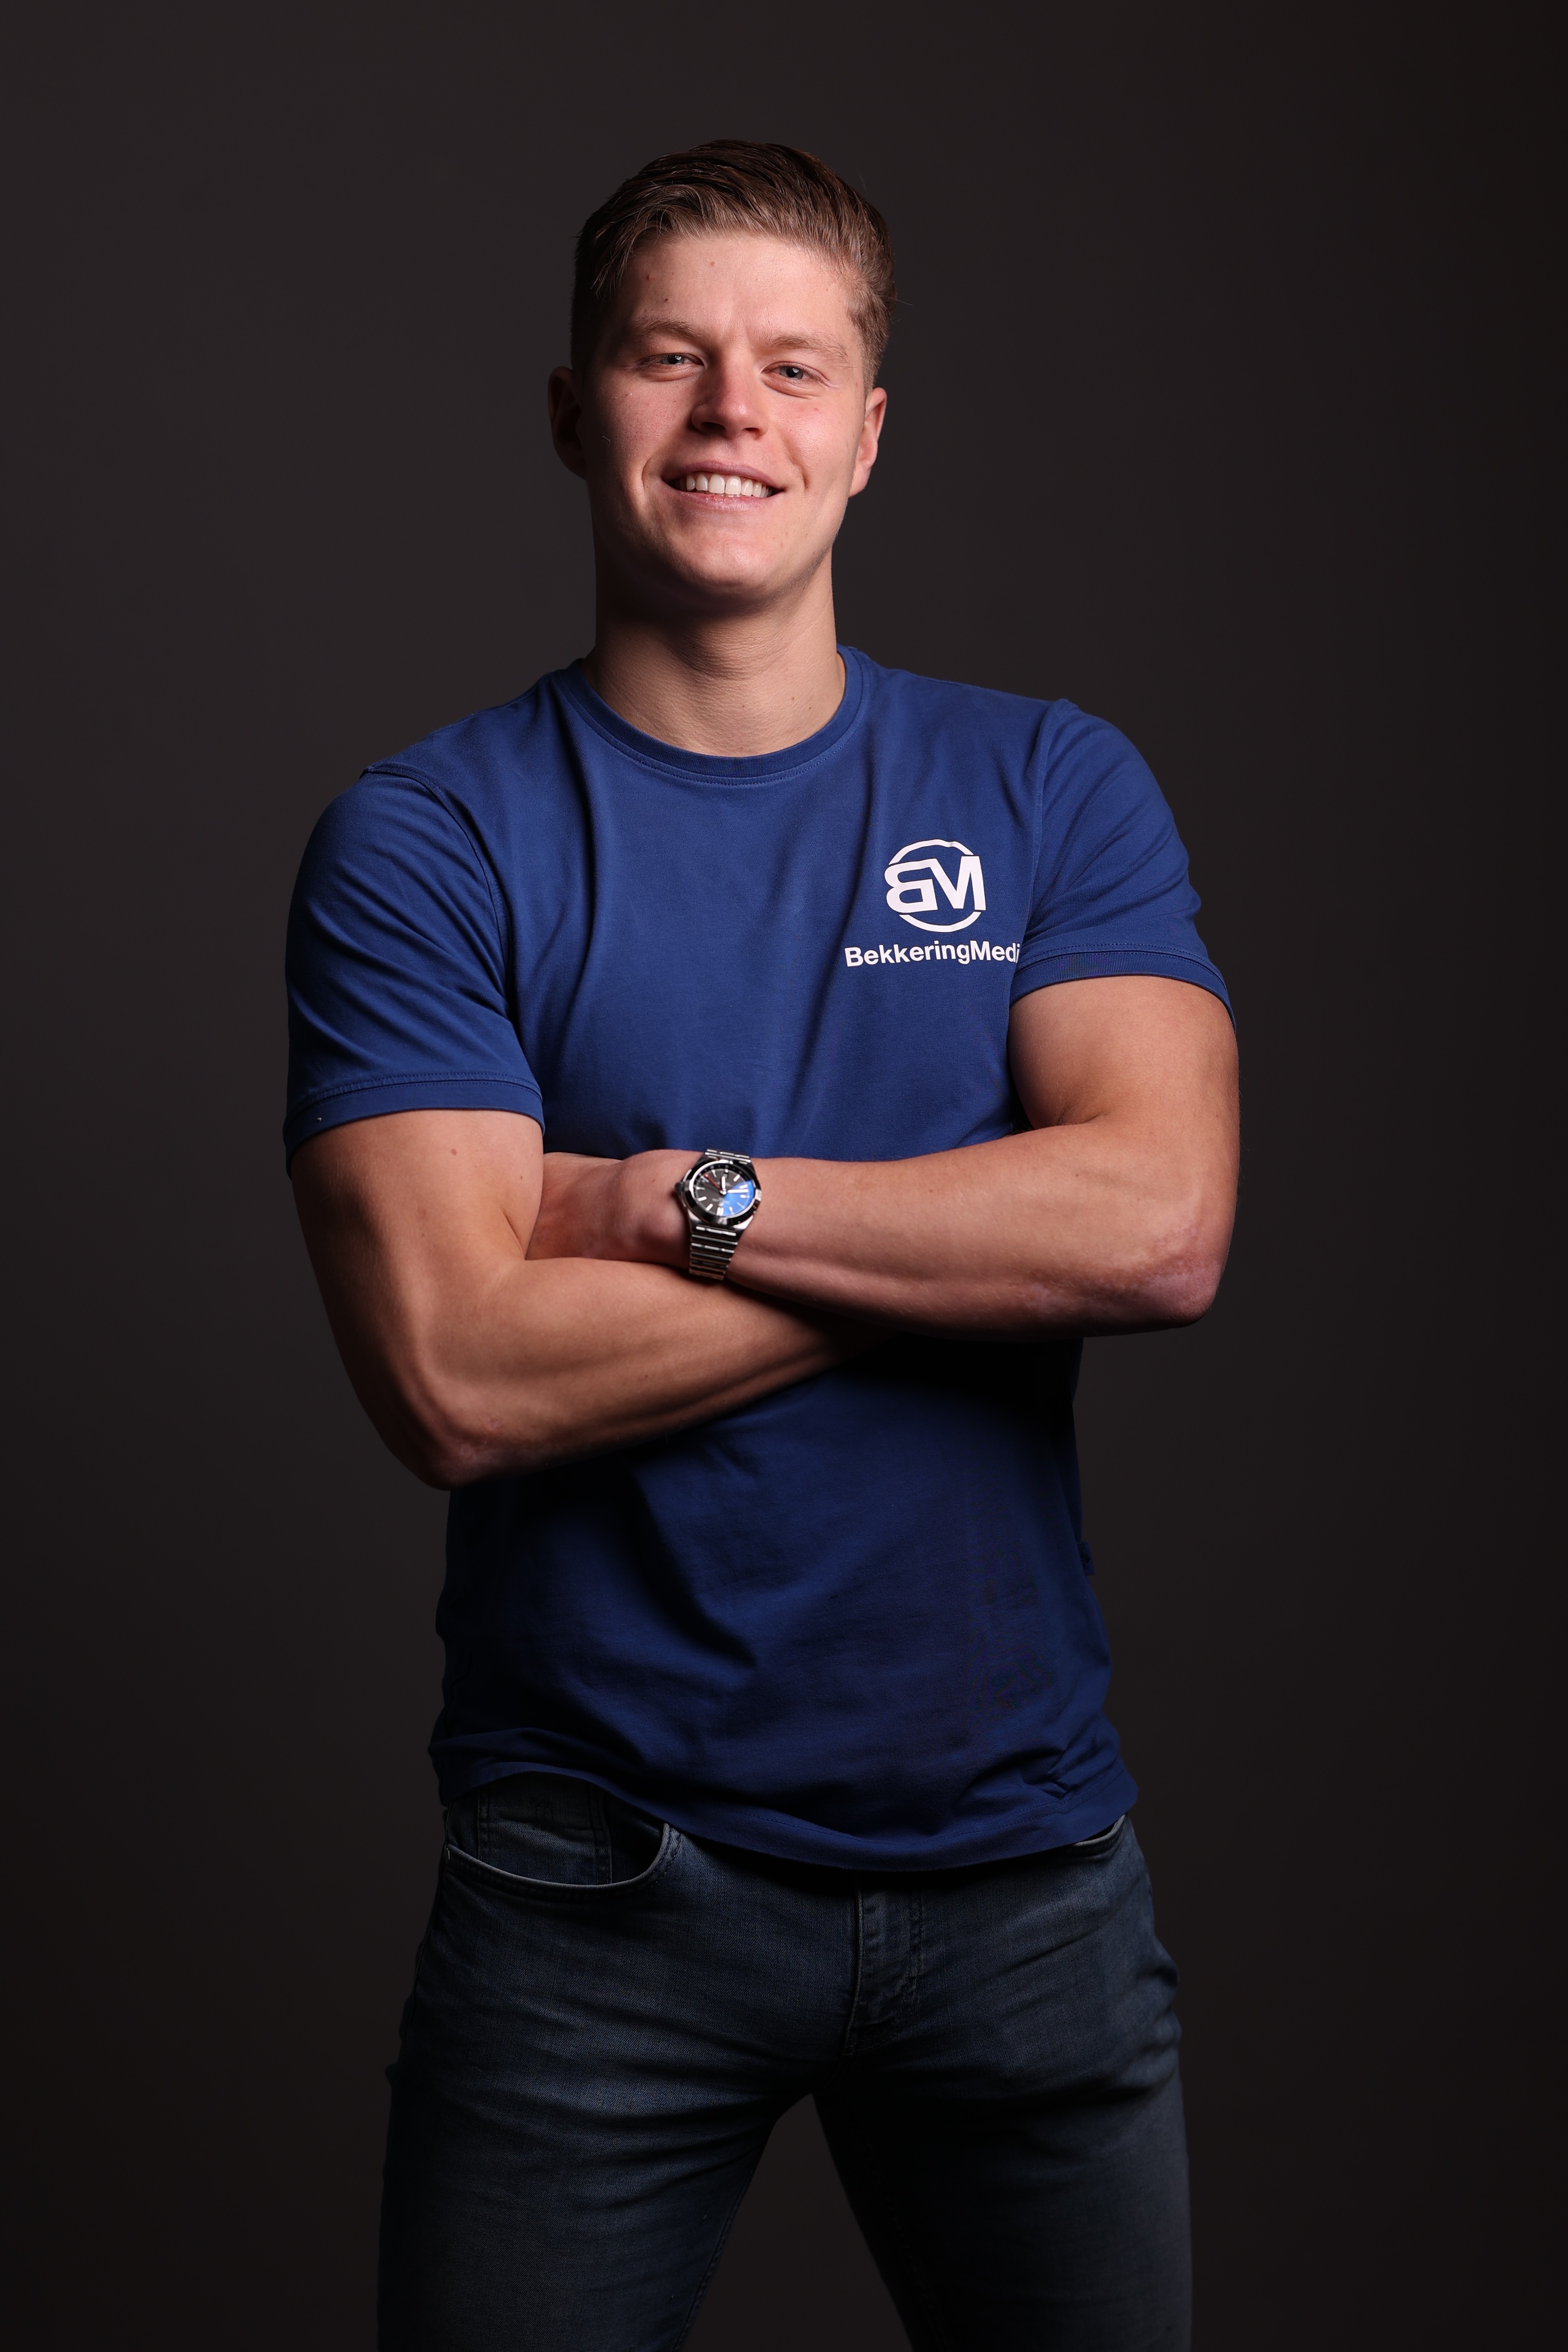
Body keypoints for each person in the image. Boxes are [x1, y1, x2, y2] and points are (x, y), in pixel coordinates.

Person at [285, 140, 1239, 2352]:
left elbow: (1164, 1225)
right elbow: (459, 1375)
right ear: (573, 409)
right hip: (595, 1890)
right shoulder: (429, 843)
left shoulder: (1049, 789)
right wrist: (984, 1233)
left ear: (868, 434)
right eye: (672, 358)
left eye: (793, 368)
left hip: (1029, 1885)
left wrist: (658, 1204)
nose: (735, 414)